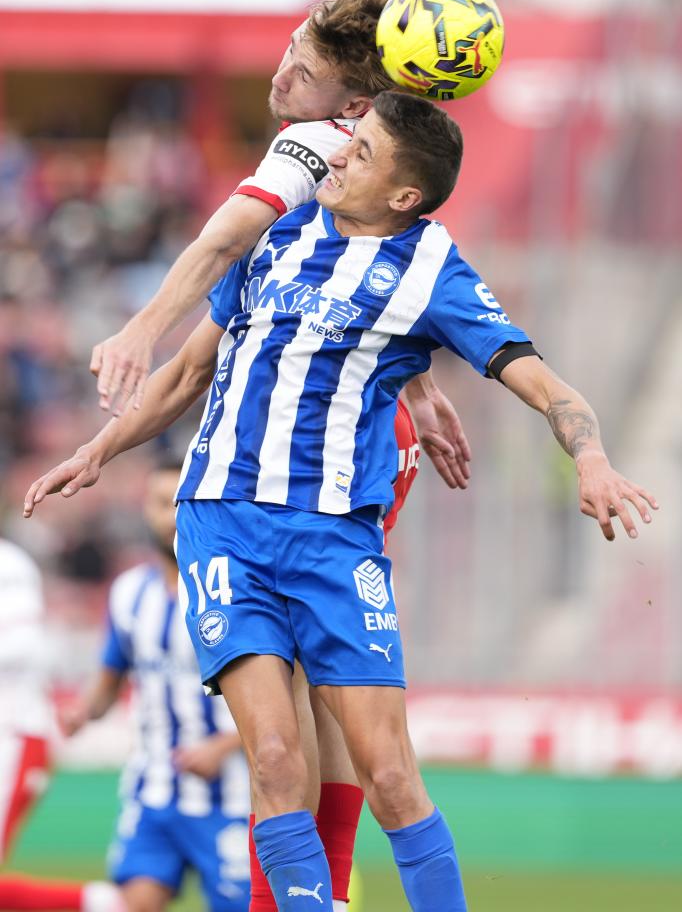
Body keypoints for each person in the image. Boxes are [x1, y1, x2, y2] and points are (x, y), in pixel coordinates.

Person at [24, 92, 658, 911]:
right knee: (278, 763)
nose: (338, 158)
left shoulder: (432, 271)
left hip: (333, 540)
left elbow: (545, 382)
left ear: (404, 196)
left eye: (361, 154)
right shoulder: (276, 236)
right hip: (220, 523)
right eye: (347, 143)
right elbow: (185, 374)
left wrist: (593, 457)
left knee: (390, 775)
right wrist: (96, 451)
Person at [61, 459, 251, 912]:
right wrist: (82, 711)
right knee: (128, 904)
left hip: (232, 796)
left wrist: (222, 747)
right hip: (154, 791)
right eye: (160, 504)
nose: (170, 517)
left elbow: (283, 698)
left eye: (179, 504)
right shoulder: (129, 592)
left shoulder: (234, 591)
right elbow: (109, 683)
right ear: (145, 511)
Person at [0, 536, 122, 912]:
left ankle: (100, 904)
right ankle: (97, 903)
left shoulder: (8, 563)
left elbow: (23, 647)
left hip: (11, 733)